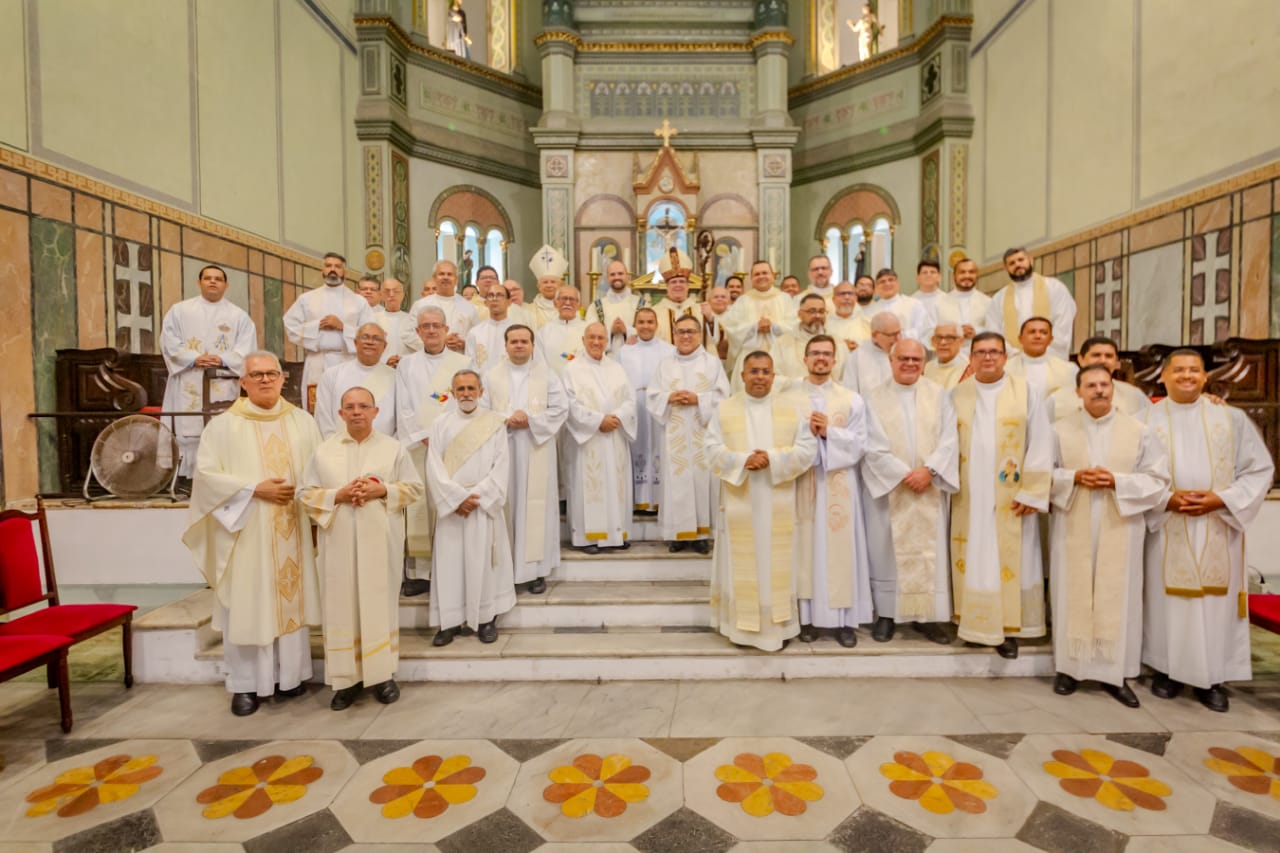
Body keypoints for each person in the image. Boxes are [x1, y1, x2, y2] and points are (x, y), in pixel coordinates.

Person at [183, 351, 322, 717]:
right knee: (248, 604)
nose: (265, 380)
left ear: (283, 379)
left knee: (290, 599)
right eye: (256, 375)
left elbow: (317, 473)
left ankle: (290, 677)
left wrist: (315, 520)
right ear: (242, 382)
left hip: (292, 529)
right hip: (246, 533)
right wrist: (253, 489)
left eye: (271, 374)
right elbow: (206, 478)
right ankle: (245, 685)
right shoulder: (223, 427)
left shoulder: (303, 422)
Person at [1142, 350, 1274, 712]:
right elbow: (1132, 472)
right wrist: (1165, 499)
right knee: (1166, 602)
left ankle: (1212, 678)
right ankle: (1167, 670)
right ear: (1163, 376)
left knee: (1214, 605)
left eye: (1194, 370)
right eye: (1178, 370)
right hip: (1167, 523)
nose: (1186, 376)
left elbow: (1259, 469)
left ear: (1205, 378)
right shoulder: (1144, 420)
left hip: (1219, 523)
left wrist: (1222, 499)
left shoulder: (1231, 418)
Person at [1048, 366, 1169, 707]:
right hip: (1072, 523)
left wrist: (1117, 481)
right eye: (1091, 385)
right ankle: (1070, 669)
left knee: (1120, 596)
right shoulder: (1058, 430)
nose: (1099, 390)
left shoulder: (1139, 431)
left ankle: (1116, 675)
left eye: (1105, 384)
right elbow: (1040, 474)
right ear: (1078, 392)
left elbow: (1158, 480)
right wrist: (1073, 478)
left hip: (1121, 526)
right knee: (1071, 592)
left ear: (1114, 389)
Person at [300, 386, 423, 710]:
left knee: (378, 605)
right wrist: (337, 495)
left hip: (380, 543)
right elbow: (305, 494)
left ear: (375, 412)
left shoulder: (393, 448)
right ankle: (346, 681)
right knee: (341, 607)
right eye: (350, 407)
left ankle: (382, 677)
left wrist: (381, 490)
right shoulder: (323, 451)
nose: (357, 412)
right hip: (338, 543)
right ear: (340, 413)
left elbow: (414, 488)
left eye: (363, 406)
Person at [950, 332, 1053, 658]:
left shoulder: (1026, 391)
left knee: (1008, 560)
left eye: (994, 351)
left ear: (1006, 357)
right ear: (971, 358)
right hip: (968, 494)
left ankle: (1008, 629)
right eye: (980, 352)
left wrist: (1033, 491)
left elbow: (1041, 440)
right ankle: (974, 624)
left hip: (1012, 495)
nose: (988, 357)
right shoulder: (956, 394)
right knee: (974, 556)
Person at [705, 352, 817, 650]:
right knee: (742, 563)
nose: (759, 377)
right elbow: (711, 450)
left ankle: (776, 628)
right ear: (742, 375)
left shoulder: (790, 409)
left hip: (777, 500)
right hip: (739, 502)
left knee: (775, 564)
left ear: (773, 376)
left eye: (765, 371)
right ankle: (740, 630)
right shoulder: (724, 409)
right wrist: (743, 460)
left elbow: (807, 450)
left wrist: (772, 459)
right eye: (753, 371)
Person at [862, 339, 959, 644]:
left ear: (924, 363)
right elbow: (871, 444)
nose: (909, 364)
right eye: (903, 358)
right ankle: (887, 614)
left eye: (916, 359)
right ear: (890, 361)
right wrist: (904, 474)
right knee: (887, 553)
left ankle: (928, 617)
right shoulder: (873, 397)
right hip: (891, 489)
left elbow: (950, 439)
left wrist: (929, 471)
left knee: (929, 554)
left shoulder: (939, 395)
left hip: (929, 485)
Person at [426, 370, 515, 645]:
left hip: (481, 506)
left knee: (484, 563)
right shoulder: (440, 424)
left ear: (481, 392)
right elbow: (433, 466)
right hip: (454, 510)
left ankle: (486, 618)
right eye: (461, 389)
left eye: (471, 388)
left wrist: (476, 498)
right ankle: (450, 621)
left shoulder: (494, 423)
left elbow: (501, 465)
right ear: (452, 393)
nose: (466, 394)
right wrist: (455, 499)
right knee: (450, 565)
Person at [794, 336, 873, 647]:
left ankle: (844, 622)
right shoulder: (788, 396)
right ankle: (805, 619)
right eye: (815, 353)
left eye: (827, 354)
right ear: (804, 359)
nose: (821, 358)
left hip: (837, 483)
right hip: (801, 482)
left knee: (840, 551)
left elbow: (861, 443)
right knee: (804, 550)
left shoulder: (851, 399)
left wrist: (829, 433)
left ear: (835, 360)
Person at [484, 325, 568, 594]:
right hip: (502, 449)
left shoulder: (548, 375)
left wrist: (530, 420)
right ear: (505, 346)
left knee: (535, 508)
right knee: (506, 506)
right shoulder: (490, 375)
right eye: (514, 341)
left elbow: (560, 408)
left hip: (535, 446)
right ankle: (503, 570)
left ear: (533, 345)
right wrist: (507, 419)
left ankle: (535, 571)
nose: (519, 345)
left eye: (524, 341)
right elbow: (481, 411)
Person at [394, 307, 471, 595]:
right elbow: (403, 406)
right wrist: (423, 436)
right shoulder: (406, 365)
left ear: (446, 329)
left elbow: (467, 399)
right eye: (425, 326)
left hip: (453, 444)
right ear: (417, 332)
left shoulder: (463, 362)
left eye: (436, 325)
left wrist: (445, 436)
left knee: (447, 502)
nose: (431, 331)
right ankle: (420, 574)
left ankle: (450, 569)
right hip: (418, 444)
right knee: (419, 506)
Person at [159, 264, 256, 477]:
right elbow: (168, 341)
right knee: (186, 429)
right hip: (187, 377)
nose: (213, 281)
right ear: (199, 282)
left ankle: (220, 474)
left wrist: (222, 359)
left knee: (219, 430)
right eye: (208, 278)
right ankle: (185, 475)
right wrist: (193, 358)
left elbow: (246, 348)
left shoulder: (238, 316)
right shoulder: (180, 311)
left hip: (221, 381)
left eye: (218, 279)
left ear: (226, 285)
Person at [647, 314, 729, 554]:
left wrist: (698, 399)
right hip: (675, 434)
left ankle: (702, 535)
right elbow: (652, 396)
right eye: (680, 332)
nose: (685, 336)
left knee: (702, 481)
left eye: (690, 331)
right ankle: (678, 534)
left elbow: (724, 397)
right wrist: (668, 397)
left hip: (703, 432)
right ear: (673, 335)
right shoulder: (664, 364)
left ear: (699, 334)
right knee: (677, 480)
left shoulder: (712, 363)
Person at [563, 323, 637, 552]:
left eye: (601, 338)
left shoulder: (617, 368)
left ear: (607, 341)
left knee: (616, 484)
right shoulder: (571, 370)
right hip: (588, 439)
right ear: (583, 340)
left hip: (614, 436)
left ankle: (616, 534)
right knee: (589, 485)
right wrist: (598, 421)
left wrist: (617, 417)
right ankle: (588, 538)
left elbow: (630, 400)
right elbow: (570, 405)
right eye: (591, 337)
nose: (596, 342)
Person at [283, 252, 374, 411]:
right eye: (328, 266)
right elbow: (290, 325)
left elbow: (371, 332)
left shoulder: (359, 302)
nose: (333, 269)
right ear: (322, 270)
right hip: (317, 361)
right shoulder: (307, 299)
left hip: (347, 360)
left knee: (348, 407)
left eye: (338, 266)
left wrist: (343, 327)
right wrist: (317, 325)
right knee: (317, 409)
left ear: (345, 272)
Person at [617, 308, 675, 515]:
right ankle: (637, 499)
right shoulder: (624, 351)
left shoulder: (669, 351)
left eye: (650, 322)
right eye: (641, 322)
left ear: (657, 324)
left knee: (658, 447)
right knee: (636, 447)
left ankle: (658, 499)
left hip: (659, 406)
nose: (646, 326)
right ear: (635, 325)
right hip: (634, 406)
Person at [984, 247, 1076, 359]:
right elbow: (993, 331)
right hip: (1014, 360)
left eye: (1021, 260)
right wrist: (1014, 354)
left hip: (1051, 358)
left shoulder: (1054, 287)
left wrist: (1042, 353)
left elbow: (1063, 323)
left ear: (1031, 260)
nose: (1018, 264)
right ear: (1006, 269)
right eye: (1012, 263)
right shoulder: (999, 298)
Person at [313, 323, 397, 438]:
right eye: (365, 337)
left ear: (385, 346)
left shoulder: (396, 378)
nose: (370, 342)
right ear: (355, 342)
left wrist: (389, 446)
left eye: (376, 339)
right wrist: (334, 446)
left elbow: (401, 421)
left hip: (384, 447)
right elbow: (323, 418)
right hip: (339, 446)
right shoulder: (332, 375)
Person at [723, 260, 796, 390]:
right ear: (751, 279)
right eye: (757, 274)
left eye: (765, 273)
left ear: (773, 276)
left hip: (781, 358)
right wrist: (754, 328)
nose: (761, 276)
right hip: (749, 357)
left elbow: (794, 325)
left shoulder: (785, 299)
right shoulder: (743, 301)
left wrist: (773, 327)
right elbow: (732, 329)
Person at [1048, 336, 1151, 421]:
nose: (1103, 360)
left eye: (1109, 356)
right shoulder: (1057, 399)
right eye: (1096, 355)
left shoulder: (1134, 396)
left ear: (1116, 362)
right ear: (1081, 359)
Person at [406, 260, 477, 354]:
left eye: (449, 274)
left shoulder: (468, 306)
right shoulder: (421, 305)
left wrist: (465, 344)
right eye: (441, 274)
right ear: (434, 278)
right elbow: (408, 335)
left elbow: (478, 335)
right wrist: (437, 344)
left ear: (456, 279)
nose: (445, 277)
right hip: (429, 358)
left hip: (460, 358)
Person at [775, 293, 847, 381]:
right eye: (812, 311)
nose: (817, 316)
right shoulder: (783, 343)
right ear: (799, 314)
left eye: (821, 311)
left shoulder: (838, 343)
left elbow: (846, 377)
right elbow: (775, 376)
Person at [1006, 316, 1077, 398]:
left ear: (1050, 340)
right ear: (1020, 338)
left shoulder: (1068, 369)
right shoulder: (1004, 369)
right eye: (1032, 332)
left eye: (1044, 332)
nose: (1037, 336)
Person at [590, 258, 643, 353]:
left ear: (627, 276)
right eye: (612, 274)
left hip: (635, 358)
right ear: (607, 278)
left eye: (620, 273)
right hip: (606, 359)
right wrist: (610, 331)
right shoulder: (596, 306)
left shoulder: (641, 304)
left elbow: (648, 333)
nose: (616, 277)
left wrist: (626, 330)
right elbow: (590, 335)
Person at [650, 248, 701, 344]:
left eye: (682, 281)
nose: (678, 285)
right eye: (673, 282)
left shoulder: (700, 311)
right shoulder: (654, 313)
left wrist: (711, 320)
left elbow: (713, 340)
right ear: (666, 286)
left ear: (688, 285)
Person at [840, 311, 899, 394]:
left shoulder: (905, 353)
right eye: (892, 335)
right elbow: (850, 393)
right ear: (874, 335)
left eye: (899, 333)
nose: (898, 338)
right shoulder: (856, 357)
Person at [864, 268, 928, 342]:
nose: (887, 284)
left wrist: (897, 336)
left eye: (891, 280)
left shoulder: (915, 305)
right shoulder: (870, 311)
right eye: (882, 281)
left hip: (907, 346)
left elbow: (921, 331)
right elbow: (866, 336)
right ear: (876, 288)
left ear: (898, 283)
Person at [538, 285, 588, 378]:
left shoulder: (588, 330)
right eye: (563, 298)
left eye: (572, 299)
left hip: (581, 381)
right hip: (552, 383)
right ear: (555, 303)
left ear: (579, 305)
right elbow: (539, 361)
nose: (567, 302)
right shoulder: (544, 332)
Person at [465, 281, 515, 372]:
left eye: (499, 295)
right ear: (486, 302)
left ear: (509, 302)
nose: (494, 299)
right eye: (491, 295)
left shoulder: (518, 332)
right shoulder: (475, 333)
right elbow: (469, 365)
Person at [949, 258, 990, 353]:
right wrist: (956, 331)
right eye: (962, 272)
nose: (967, 276)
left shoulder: (988, 302)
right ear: (954, 276)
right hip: (950, 355)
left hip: (980, 354)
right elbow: (930, 332)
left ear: (977, 275)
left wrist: (976, 331)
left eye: (971, 272)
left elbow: (995, 329)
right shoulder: (940, 302)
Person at [912, 259, 956, 341]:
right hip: (917, 344)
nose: (929, 275)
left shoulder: (948, 300)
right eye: (924, 272)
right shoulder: (911, 301)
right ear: (918, 278)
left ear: (939, 277)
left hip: (943, 343)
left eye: (932, 272)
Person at [528, 244, 567, 330]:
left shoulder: (569, 307)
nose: (549, 285)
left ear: (561, 285)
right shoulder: (528, 310)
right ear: (538, 286)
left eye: (553, 282)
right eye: (545, 282)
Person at [827, 280, 871, 354]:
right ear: (833, 299)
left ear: (856, 298)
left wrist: (858, 349)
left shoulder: (867, 323)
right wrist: (841, 347)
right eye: (842, 294)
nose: (847, 297)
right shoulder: (825, 323)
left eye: (850, 294)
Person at [376, 278, 412, 368]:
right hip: (381, 368)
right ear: (381, 295)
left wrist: (403, 361)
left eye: (396, 291)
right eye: (387, 291)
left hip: (408, 367)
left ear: (402, 295)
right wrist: (385, 361)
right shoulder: (373, 319)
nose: (391, 294)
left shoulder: (412, 320)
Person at [924, 321, 970, 390]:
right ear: (932, 341)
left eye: (949, 338)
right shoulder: (927, 367)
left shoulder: (968, 369)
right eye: (939, 337)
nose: (943, 342)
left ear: (961, 341)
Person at [702, 284, 733, 365]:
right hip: (709, 359)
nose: (720, 299)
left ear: (729, 301)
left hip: (731, 359)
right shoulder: (702, 316)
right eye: (716, 297)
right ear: (709, 301)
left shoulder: (736, 316)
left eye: (723, 297)